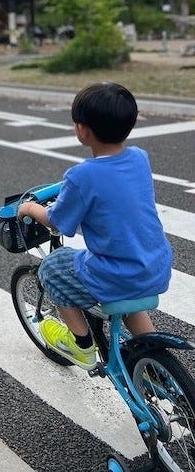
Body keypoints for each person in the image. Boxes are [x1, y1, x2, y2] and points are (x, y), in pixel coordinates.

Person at [17, 82, 172, 369]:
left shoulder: (81, 176)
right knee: (129, 297)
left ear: (82, 130)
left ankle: (82, 346)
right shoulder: (139, 158)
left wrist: (29, 208)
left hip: (117, 273)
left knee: (53, 266)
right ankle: (155, 362)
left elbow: (58, 222)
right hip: (154, 266)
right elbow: (113, 188)